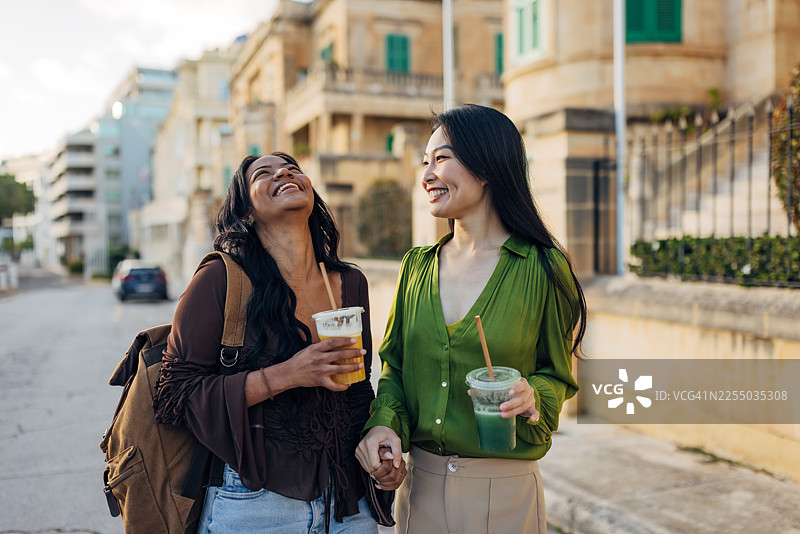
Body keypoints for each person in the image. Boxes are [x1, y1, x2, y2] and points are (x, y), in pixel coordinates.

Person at [355, 104, 587, 533]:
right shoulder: (415, 267)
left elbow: (557, 377)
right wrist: (383, 427)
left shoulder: (543, 268)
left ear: (487, 165)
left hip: (505, 498)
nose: (426, 175)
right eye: (425, 162)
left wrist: (533, 395)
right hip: (418, 493)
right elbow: (396, 369)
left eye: (440, 158)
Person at [153, 152, 397, 533]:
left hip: (348, 504)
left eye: (292, 168)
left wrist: (378, 448)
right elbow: (173, 395)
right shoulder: (220, 280)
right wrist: (287, 374)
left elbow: (356, 390)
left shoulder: (350, 283)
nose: (284, 172)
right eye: (263, 174)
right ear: (246, 211)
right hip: (254, 504)